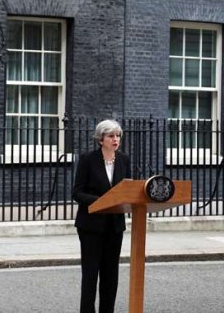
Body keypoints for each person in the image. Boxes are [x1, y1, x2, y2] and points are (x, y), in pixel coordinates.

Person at [72, 119, 131, 313]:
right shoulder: (88, 159)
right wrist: (102, 200)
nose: (115, 139)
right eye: (111, 136)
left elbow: (128, 189)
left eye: (117, 136)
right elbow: (77, 192)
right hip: (91, 226)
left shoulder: (124, 160)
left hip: (114, 226)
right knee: (90, 274)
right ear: (101, 139)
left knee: (110, 275)